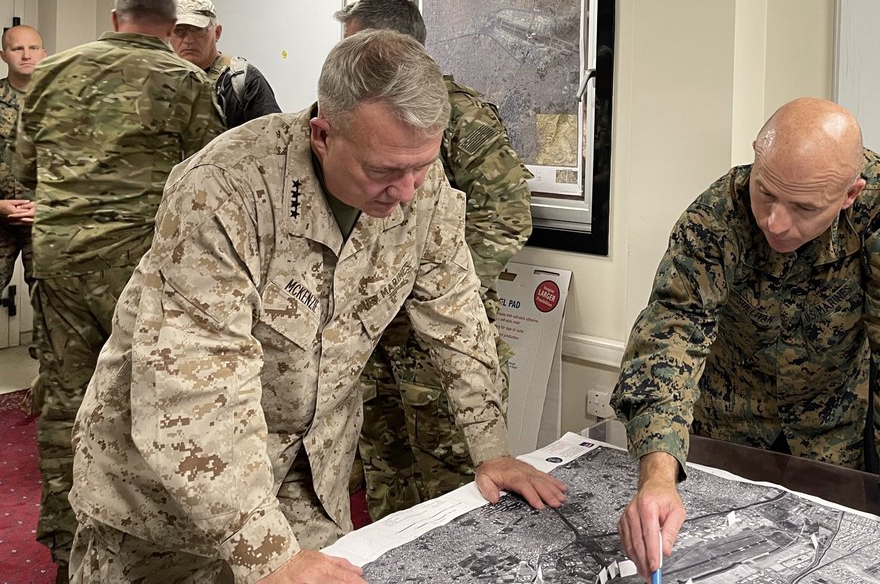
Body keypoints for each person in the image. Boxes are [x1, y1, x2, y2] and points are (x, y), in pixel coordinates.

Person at [68, 29, 565, 584]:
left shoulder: (417, 182)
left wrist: (491, 449)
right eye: (382, 172)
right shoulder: (225, 190)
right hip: (170, 498)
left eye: (420, 167)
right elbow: (193, 387)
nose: (406, 191)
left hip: (304, 479)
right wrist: (266, 554)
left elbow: (458, 318)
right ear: (323, 135)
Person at [611, 98, 880, 581]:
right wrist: (658, 474)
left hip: (829, 433)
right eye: (766, 194)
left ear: (850, 194)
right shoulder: (717, 215)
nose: (775, 222)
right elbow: (671, 333)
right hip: (726, 430)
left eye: (804, 208)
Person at [15, 0, 224, 578]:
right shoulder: (186, 82)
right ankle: (141, 550)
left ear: (115, 17)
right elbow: (204, 177)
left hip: (57, 259)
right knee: (147, 404)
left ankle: (63, 544)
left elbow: (25, 167)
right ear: (171, 26)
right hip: (135, 267)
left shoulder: (52, 73)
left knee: (65, 399)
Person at [335, 0, 533, 518]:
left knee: (457, 489)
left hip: (441, 341)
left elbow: (507, 219)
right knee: (385, 481)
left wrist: (424, 278)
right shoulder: (352, 123)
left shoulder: (461, 115)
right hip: (374, 339)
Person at [170, 0, 281, 127]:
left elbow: (274, 138)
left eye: (198, 30)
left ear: (217, 33)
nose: (188, 40)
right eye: (179, 31)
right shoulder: (159, 78)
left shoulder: (242, 80)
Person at [0, 24, 46, 296]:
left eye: (33, 48)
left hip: (42, 219)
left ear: (43, 54)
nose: (26, 55)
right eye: (17, 48)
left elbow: (78, 165)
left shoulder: (62, 102)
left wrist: (49, 205)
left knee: (52, 306)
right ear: (4, 55)